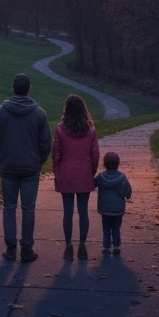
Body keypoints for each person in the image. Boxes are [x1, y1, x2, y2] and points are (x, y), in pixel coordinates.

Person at [0, 73, 52, 262]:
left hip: (8, 165)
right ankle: (27, 248)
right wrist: (38, 162)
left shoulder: (0, 112)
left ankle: (10, 247)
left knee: (9, 206)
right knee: (28, 208)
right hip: (30, 167)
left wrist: (2, 159)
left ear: (13, 88)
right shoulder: (39, 114)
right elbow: (45, 143)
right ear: (29, 89)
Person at [52, 94, 99, 260]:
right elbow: (95, 155)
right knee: (83, 211)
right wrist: (91, 173)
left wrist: (57, 173)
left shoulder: (60, 129)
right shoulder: (91, 131)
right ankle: (82, 245)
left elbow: (56, 154)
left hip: (66, 173)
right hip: (84, 172)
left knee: (68, 213)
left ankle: (68, 245)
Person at [94, 151, 133, 254]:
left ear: (104, 164)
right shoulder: (122, 178)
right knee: (116, 228)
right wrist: (128, 195)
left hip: (105, 208)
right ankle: (116, 246)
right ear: (118, 163)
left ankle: (106, 247)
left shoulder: (101, 177)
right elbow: (127, 190)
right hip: (118, 209)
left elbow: (93, 184)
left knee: (106, 228)